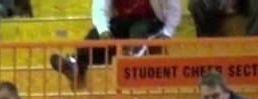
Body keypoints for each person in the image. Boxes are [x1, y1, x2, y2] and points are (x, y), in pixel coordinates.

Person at [47, 0, 180, 83]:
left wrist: (168, 32)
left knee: (138, 31)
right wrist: (104, 32)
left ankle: (130, 65)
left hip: (151, 21)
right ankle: (75, 65)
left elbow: (174, 7)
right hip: (122, 21)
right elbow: (100, 7)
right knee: (95, 36)